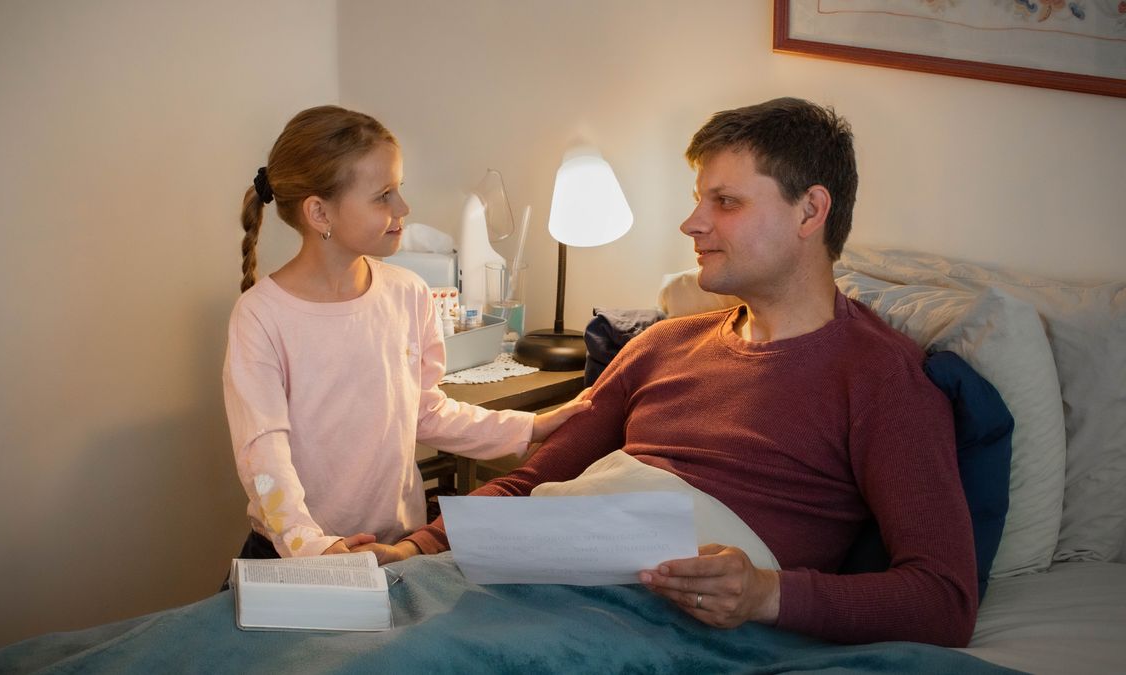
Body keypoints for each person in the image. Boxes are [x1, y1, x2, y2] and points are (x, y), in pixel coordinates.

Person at [360, 98, 979, 647]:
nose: (692, 224)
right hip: (534, 576)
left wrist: (766, 594)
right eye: (698, 200)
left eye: (727, 202)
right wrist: (415, 547)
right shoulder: (664, 344)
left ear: (810, 210)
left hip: (649, 626)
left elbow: (944, 601)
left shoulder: (880, 377)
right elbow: (529, 485)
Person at [222, 105, 590, 562]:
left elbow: (425, 411)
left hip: (397, 546)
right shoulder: (261, 316)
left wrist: (529, 428)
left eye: (399, 190)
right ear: (319, 212)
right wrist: (312, 545)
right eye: (383, 196)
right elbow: (264, 455)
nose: (403, 208)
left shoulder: (406, 292)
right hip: (295, 555)